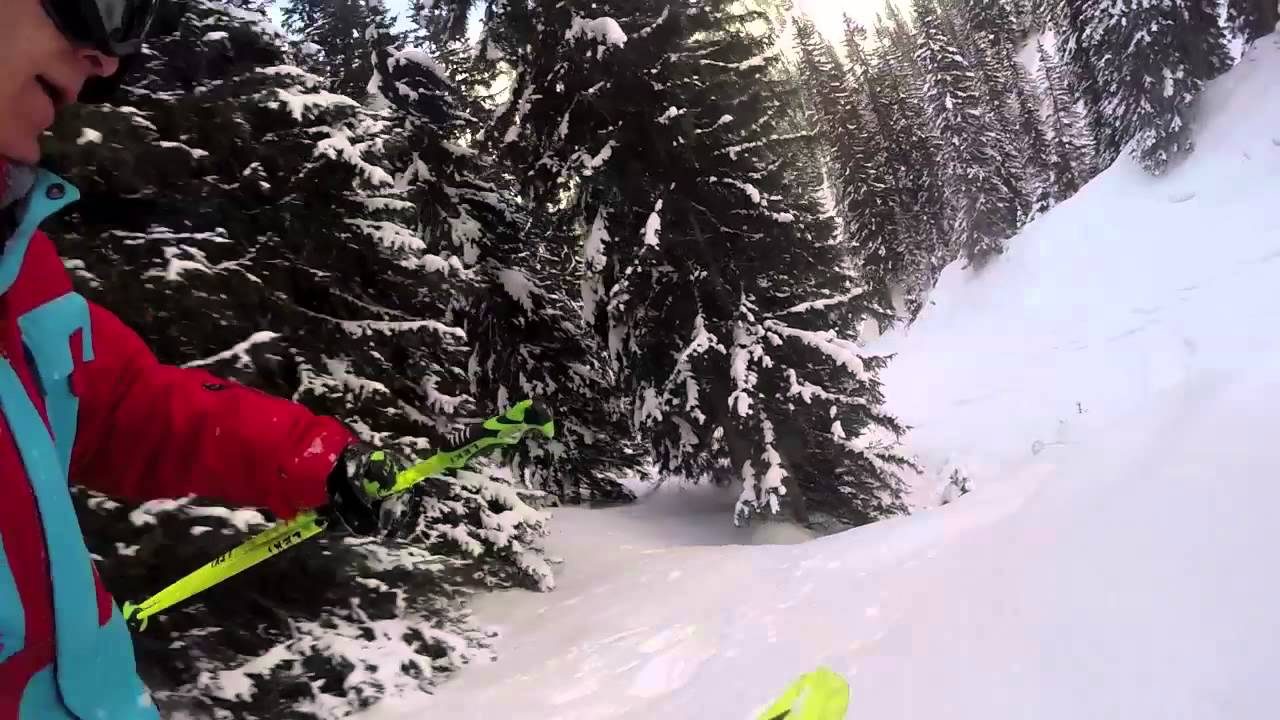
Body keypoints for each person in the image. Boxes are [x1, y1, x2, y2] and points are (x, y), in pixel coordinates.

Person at [0, 0, 413, 716]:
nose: (108, 58)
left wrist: (311, 456)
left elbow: (122, 408)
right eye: (95, 7)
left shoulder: (17, 266)